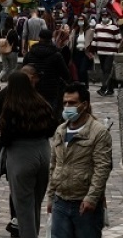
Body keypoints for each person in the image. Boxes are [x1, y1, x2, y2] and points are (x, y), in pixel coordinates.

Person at [0, 70, 56, 238]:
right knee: (36, 203)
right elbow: (52, 127)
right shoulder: (41, 102)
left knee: (23, 208)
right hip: (43, 151)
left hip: (21, 154)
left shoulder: (11, 106)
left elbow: (6, 135)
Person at [47, 83, 112, 238]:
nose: (67, 107)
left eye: (72, 103)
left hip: (84, 204)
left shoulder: (98, 132)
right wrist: (50, 196)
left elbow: (102, 168)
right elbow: (54, 165)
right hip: (60, 202)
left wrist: (91, 198)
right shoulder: (61, 130)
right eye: (65, 103)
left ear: (84, 105)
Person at [24, 28, 71, 119]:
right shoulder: (56, 55)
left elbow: (24, 70)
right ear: (51, 39)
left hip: (34, 89)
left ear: (39, 38)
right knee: (50, 116)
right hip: (52, 90)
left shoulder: (30, 54)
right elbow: (66, 74)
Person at [91, 16, 120, 96]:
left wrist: (118, 51)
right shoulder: (98, 26)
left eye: (106, 16)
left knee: (107, 70)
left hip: (110, 53)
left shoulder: (114, 27)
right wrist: (93, 50)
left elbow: (118, 39)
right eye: (103, 16)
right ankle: (110, 89)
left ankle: (103, 88)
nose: (105, 17)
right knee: (105, 71)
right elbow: (95, 38)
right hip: (101, 52)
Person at [0, 16, 21, 90]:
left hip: (3, 51)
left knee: (5, 68)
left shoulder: (2, 31)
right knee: (13, 68)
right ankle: (10, 83)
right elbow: (16, 42)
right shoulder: (13, 31)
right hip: (12, 51)